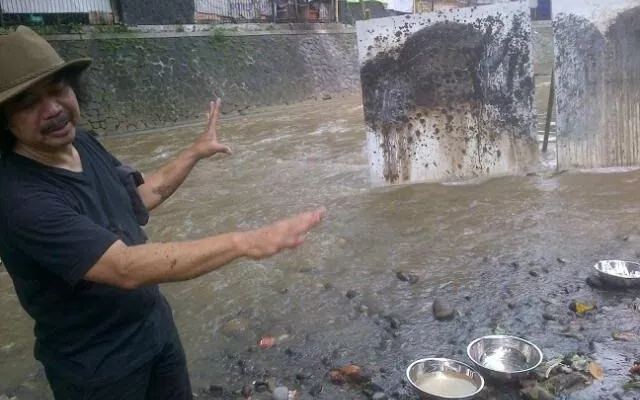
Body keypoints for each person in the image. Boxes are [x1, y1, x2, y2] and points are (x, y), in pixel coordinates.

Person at [0, 26, 326, 399]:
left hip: (154, 331)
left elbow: (139, 198)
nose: (54, 108)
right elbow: (123, 267)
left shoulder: (83, 143)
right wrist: (245, 242)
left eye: (58, 90)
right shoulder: (19, 199)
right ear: (5, 121)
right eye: (27, 103)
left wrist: (194, 152)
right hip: (98, 366)